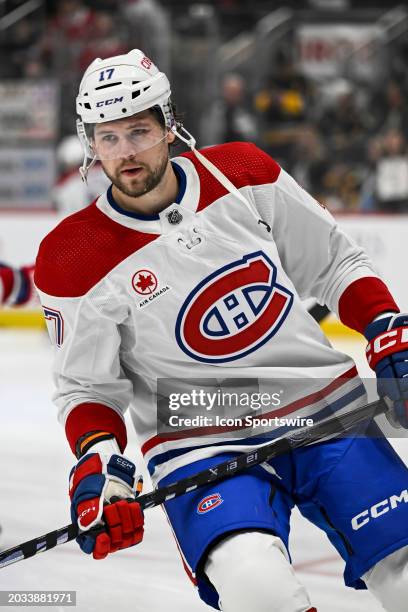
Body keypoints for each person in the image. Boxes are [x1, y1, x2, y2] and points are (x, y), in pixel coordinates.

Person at [34, 49, 408, 612]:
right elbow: (86, 388)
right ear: (90, 143)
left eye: (138, 130)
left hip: (324, 407)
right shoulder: (72, 255)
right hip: (199, 433)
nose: (125, 152)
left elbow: (334, 264)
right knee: (259, 592)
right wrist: (99, 468)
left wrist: (387, 330)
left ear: (168, 123)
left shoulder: (243, 172)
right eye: (107, 138)